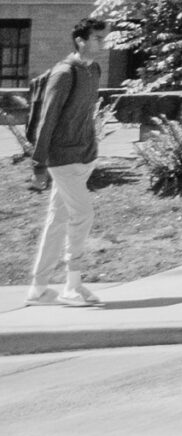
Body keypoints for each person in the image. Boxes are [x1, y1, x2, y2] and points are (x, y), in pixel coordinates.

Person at [24, 16, 107, 307]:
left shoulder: (93, 70)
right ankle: (72, 285)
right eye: (97, 38)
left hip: (82, 156)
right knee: (83, 214)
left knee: (57, 220)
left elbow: (84, 115)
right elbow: (47, 120)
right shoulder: (64, 73)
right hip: (61, 157)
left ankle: (38, 288)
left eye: (102, 37)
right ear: (80, 40)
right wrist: (39, 165)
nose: (102, 42)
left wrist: (91, 149)